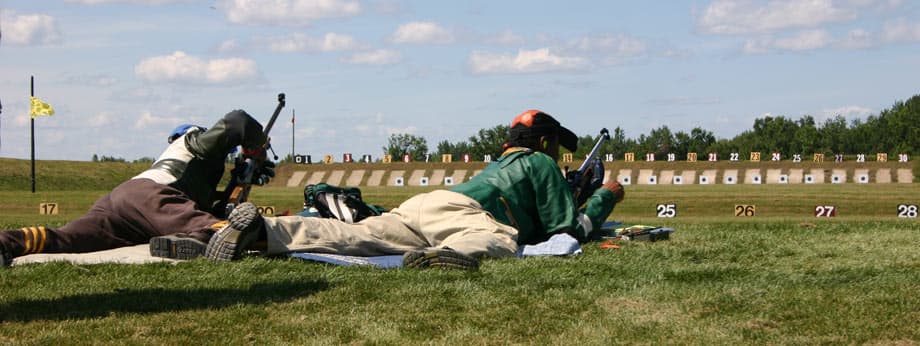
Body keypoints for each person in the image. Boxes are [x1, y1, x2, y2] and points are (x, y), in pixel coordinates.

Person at [204, 109, 625, 270]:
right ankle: (446, 258)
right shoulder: (539, 162)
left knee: (357, 236)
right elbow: (565, 231)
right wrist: (605, 195)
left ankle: (265, 232)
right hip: (462, 219)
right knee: (500, 238)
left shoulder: (502, 163)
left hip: (427, 205)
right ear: (547, 144)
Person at [0, 110, 272, 267]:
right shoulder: (195, 142)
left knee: (66, 239)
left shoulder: (181, 167)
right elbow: (239, 122)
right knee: (222, 229)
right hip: (152, 197)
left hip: (121, 202)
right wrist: (255, 150)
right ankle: (202, 241)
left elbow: (200, 207)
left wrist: (239, 181)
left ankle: (8, 242)